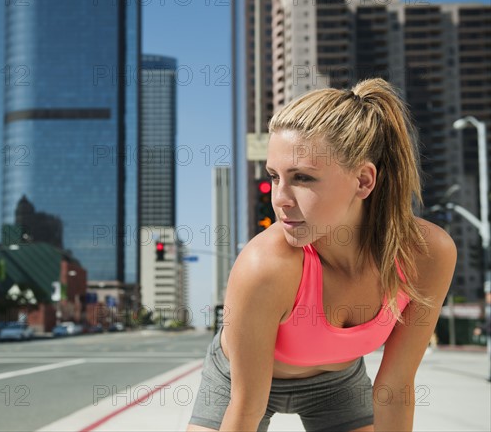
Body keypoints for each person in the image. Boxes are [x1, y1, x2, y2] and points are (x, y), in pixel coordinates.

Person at [187, 78, 457, 432]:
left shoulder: (426, 253)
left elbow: (394, 389)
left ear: (363, 180)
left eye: (302, 177)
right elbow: (246, 408)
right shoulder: (265, 267)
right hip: (239, 385)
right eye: (274, 177)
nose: (280, 198)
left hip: (337, 385)